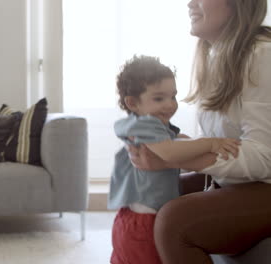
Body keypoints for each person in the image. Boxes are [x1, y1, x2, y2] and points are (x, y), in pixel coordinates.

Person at [127, 0, 271, 263]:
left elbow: (264, 157)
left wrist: (176, 156)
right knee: (150, 191)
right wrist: (172, 149)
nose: (190, 3)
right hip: (246, 184)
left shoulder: (263, 56)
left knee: (175, 221)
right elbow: (225, 143)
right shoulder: (216, 57)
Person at [108, 55, 240, 264]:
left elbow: (176, 143)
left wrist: (188, 142)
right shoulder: (146, 125)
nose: (170, 105)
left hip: (138, 217)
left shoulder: (142, 124)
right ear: (132, 103)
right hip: (145, 221)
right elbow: (170, 153)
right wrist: (211, 143)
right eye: (159, 98)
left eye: (173, 96)